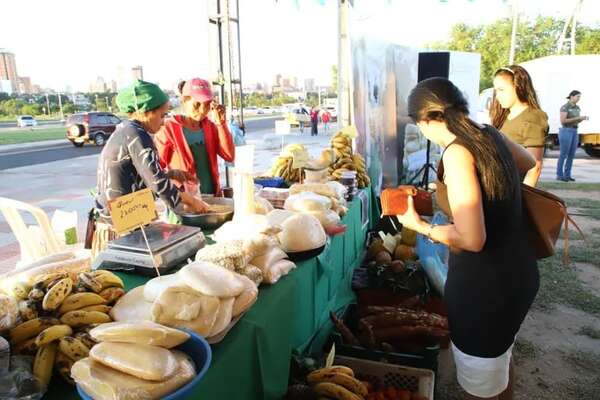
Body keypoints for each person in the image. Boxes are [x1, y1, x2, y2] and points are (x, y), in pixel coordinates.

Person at [397, 77, 538, 400]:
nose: (422, 131)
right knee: (499, 362)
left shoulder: (457, 154)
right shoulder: (489, 134)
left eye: (420, 123)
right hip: (519, 274)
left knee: (480, 384)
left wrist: (419, 226)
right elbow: (527, 162)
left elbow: (472, 240)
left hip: (485, 292)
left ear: (431, 118)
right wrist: (490, 193)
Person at [92, 80, 207, 255]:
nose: (163, 122)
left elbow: (141, 174)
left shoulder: (128, 129)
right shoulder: (136, 134)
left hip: (128, 217)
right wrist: (192, 201)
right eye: (162, 115)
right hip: (120, 224)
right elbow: (157, 183)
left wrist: (172, 174)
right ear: (145, 112)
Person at [154, 78, 235, 196]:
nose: (202, 110)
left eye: (207, 105)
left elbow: (229, 156)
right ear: (184, 101)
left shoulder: (211, 127)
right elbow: (156, 169)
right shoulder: (168, 129)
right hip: (183, 200)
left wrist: (221, 124)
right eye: (197, 104)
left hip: (211, 195)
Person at [490, 65, 548, 187]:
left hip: (515, 189)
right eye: (496, 90)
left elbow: (534, 167)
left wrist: (523, 199)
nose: (497, 95)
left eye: (501, 89)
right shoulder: (504, 116)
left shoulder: (534, 117)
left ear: (518, 87)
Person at [556, 90, 588, 182]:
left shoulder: (577, 107)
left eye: (579, 97)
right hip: (566, 130)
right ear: (571, 96)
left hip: (574, 130)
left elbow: (575, 120)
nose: (579, 99)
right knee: (563, 154)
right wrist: (578, 118)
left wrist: (581, 119)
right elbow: (563, 121)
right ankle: (559, 175)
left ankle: (567, 175)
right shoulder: (565, 107)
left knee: (571, 154)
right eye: (578, 96)